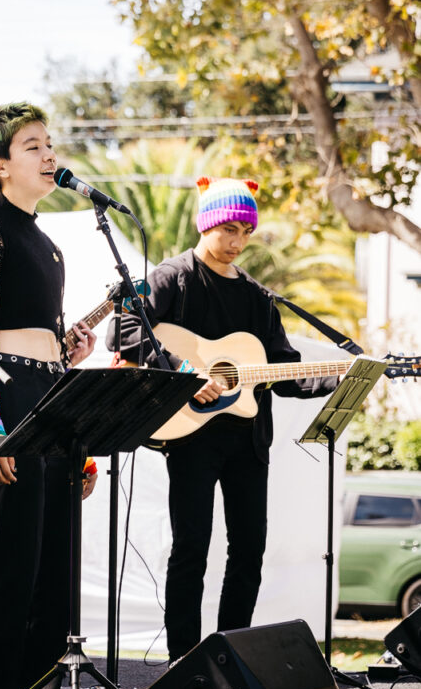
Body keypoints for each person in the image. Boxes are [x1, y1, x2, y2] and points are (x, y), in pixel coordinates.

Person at [106, 176, 337, 662]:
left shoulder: (258, 297)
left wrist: (339, 374)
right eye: (227, 229)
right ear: (203, 223)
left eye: (245, 232)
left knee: (249, 550)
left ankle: (232, 656)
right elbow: (124, 330)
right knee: (191, 547)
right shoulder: (171, 276)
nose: (236, 242)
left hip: (249, 441)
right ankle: (183, 661)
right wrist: (186, 372)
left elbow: (284, 368)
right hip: (192, 438)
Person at [0, 102, 97, 689]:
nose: (48, 155)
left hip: (51, 392)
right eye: (32, 146)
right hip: (6, 397)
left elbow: (45, 333)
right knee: (8, 558)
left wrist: (69, 351)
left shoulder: (49, 242)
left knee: (53, 558)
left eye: (49, 144)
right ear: (0, 165)